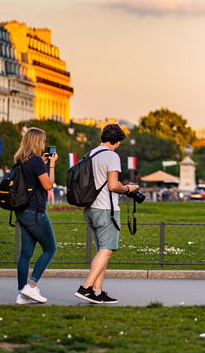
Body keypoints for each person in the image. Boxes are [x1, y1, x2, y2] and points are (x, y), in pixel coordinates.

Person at [75, 124, 140, 305]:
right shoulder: (112, 156)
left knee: (101, 251)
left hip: (90, 207)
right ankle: (86, 288)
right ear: (117, 141)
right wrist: (128, 188)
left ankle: (97, 292)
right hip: (106, 209)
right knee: (107, 249)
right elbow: (113, 185)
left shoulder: (91, 153)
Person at [12, 127, 58, 305]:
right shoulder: (37, 161)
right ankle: (30, 287)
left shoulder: (21, 160)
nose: (45, 144)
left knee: (25, 253)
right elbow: (47, 185)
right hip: (35, 211)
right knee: (50, 248)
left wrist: (44, 164)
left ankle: (21, 294)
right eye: (43, 141)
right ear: (38, 141)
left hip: (22, 210)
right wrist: (51, 165)